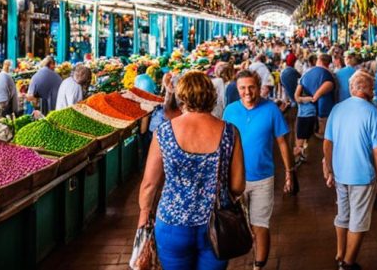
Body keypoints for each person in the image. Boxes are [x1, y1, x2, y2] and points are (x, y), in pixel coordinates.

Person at [137, 70, 245, 270]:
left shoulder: (164, 132)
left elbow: (150, 184)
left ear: (181, 97)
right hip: (217, 223)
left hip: (172, 223)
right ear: (211, 95)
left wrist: (144, 213)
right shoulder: (230, 132)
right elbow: (238, 186)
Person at [222, 71, 291, 270]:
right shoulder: (230, 111)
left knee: (260, 224)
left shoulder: (271, 110)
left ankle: (258, 266)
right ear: (237, 88)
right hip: (235, 179)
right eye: (242, 88)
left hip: (263, 179)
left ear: (259, 86)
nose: (247, 92)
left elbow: (282, 142)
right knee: (235, 223)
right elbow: (223, 144)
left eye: (251, 87)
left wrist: (289, 172)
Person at [322, 72, 377, 270]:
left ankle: (340, 253)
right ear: (367, 89)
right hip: (362, 175)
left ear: (352, 88)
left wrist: (330, 169)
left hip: (341, 172)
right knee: (358, 220)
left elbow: (327, 143)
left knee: (343, 215)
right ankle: (348, 263)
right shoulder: (373, 112)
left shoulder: (337, 109)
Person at [294, 54, 334, 159]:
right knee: (324, 137)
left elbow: (296, 96)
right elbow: (328, 87)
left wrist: (305, 99)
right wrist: (315, 97)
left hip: (305, 111)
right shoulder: (329, 75)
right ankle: (325, 159)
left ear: (319, 60)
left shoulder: (306, 74)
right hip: (324, 111)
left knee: (302, 135)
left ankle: (300, 152)